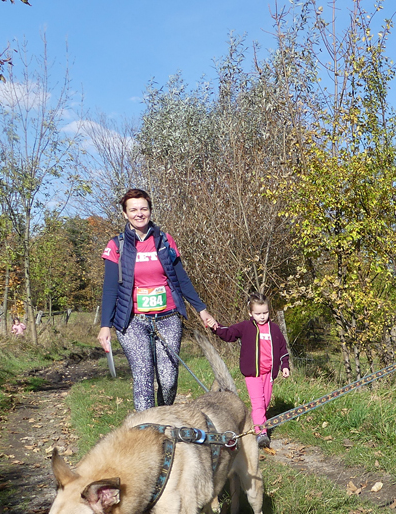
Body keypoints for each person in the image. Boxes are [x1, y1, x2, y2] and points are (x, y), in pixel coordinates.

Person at [98, 188, 219, 411]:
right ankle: (147, 427)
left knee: (168, 379)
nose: (139, 213)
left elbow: (181, 279)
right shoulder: (116, 246)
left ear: (150, 211)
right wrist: (105, 325)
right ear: (125, 214)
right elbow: (110, 289)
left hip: (167, 317)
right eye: (133, 210)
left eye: (143, 208)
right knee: (143, 377)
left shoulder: (165, 240)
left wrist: (201, 310)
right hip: (132, 321)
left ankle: (163, 415)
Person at [213, 293, 291, 449]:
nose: (262, 317)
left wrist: (285, 365)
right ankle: (261, 433)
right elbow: (229, 334)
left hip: (268, 374)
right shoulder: (245, 327)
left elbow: (283, 349)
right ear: (250, 313)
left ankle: (252, 422)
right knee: (258, 404)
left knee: (264, 403)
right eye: (258, 313)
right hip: (252, 374)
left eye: (265, 313)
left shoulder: (274, 329)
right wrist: (216, 327)